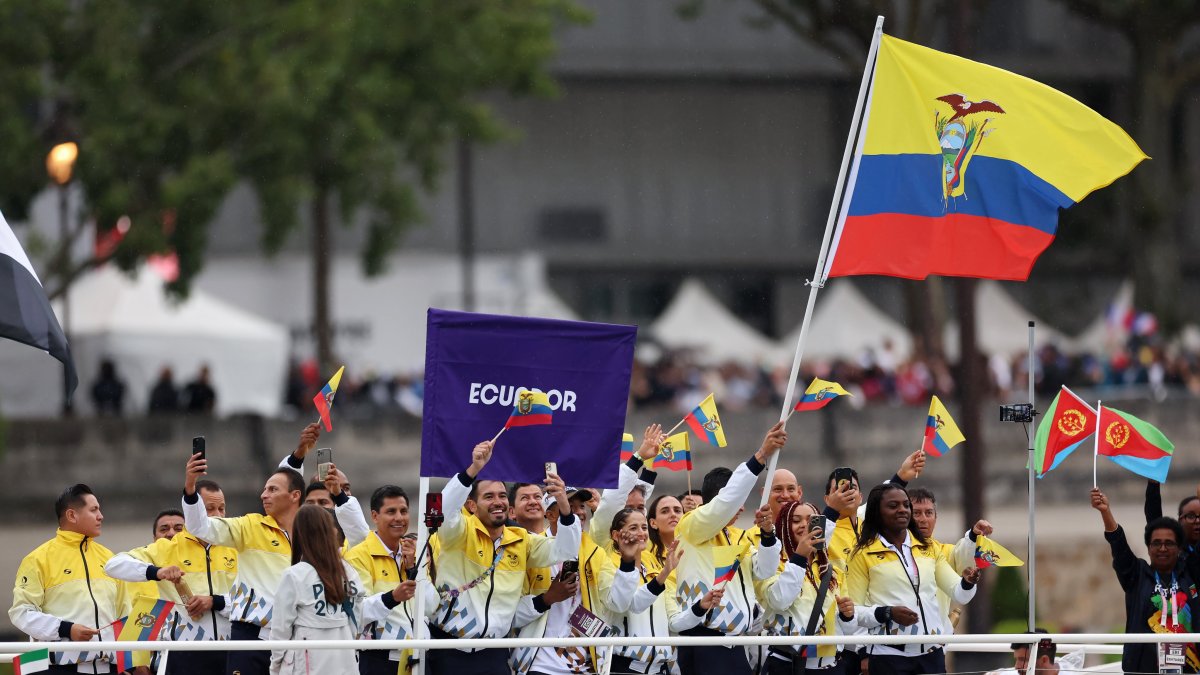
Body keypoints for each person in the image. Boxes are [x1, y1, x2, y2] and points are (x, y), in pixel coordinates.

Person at [181, 423, 364, 675]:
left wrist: (340, 497)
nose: (263, 495)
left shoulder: (315, 533)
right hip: (250, 638)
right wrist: (190, 487)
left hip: (300, 641)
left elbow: (360, 537)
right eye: (264, 489)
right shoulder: (248, 526)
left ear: (295, 496)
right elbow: (199, 527)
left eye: (272, 490)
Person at [426, 439, 580, 675]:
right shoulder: (459, 532)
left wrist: (564, 506)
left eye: (501, 496)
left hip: (495, 654)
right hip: (448, 651)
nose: (497, 501)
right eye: (488, 497)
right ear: (472, 505)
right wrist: (472, 470)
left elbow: (566, 550)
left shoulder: (522, 539)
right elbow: (444, 510)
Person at [670, 422, 787, 675]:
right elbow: (724, 504)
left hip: (735, 646)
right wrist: (760, 456)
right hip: (705, 642)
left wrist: (768, 535)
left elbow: (765, 571)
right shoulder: (691, 525)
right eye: (739, 501)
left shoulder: (737, 536)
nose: (742, 508)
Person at [105, 479, 239, 675]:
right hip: (182, 654)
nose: (218, 515)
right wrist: (157, 572)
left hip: (232, 649)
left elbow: (250, 599)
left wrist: (215, 601)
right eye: (210, 509)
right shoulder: (165, 549)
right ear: (195, 512)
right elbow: (113, 567)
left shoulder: (236, 546)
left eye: (221, 508)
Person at [846, 484, 977, 675]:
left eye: (906, 505)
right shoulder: (862, 554)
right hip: (888, 656)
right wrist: (887, 613)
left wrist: (967, 582)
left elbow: (959, 594)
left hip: (932, 655)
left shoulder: (929, 547)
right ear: (876, 512)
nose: (902, 510)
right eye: (893, 506)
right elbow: (853, 613)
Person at [10, 484, 133, 673]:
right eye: (94, 510)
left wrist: (133, 662)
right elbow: (21, 613)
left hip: (109, 667)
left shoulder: (110, 559)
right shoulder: (38, 559)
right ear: (71, 515)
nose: (101, 516)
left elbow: (125, 616)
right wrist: (67, 629)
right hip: (59, 667)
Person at [510, 486, 630, 675]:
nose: (579, 513)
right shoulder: (529, 549)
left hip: (586, 667)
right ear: (550, 514)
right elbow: (511, 614)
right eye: (568, 506)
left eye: (581, 506)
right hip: (540, 665)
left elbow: (618, 602)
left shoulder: (594, 552)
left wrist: (628, 563)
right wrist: (547, 599)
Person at [1091, 487, 1200, 673]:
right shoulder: (1137, 575)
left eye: (1169, 543)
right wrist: (1105, 511)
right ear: (1148, 548)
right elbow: (1119, 545)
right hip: (1142, 671)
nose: (1163, 548)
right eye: (1156, 543)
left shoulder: (1192, 572)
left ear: (1179, 547)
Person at [344, 485, 437, 675]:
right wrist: (392, 597)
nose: (399, 518)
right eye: (391, 511)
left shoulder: (413, 553)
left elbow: (430, 607)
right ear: (375, 516)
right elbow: (356, 613)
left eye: (403, 511)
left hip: (419, 659)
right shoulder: (358, 556)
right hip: (379, 661)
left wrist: (414, 569)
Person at [758, 500, 856, 675]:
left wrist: (847, 615)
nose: (805, 525)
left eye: (811, 520)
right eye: (796, 521)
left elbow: (847, 630)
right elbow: (779, 601)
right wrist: (799, 557)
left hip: (831, 665)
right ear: (784, 526)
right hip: (788, 665)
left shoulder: (832, 570)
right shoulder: (771, 563)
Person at [269, 505, 367, 675]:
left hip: (308, 659)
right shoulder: (348, 571)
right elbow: (357, 616)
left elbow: (280, 629)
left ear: (300, 534)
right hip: (345, 656)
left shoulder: (295, 575)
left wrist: (275, 665)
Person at [608, 507, 685, 675]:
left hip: (660, 668)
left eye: (644, 527)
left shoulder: (653, 564)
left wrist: (665, 572)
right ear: (615, 535)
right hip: (624, 667)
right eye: (633, 528)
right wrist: (662, 575)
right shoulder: (608, 563)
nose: (641, 533)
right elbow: (630, 604)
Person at [908, 487, 990, 633]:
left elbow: (964, 560)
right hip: (895, 642)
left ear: (935, 517)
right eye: (916, 513)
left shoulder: (944, 552)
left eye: (928, 513)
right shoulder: (888, 551)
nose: (923, 519)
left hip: (934, 643)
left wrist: (973, 536)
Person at [1144, 480, 1200, 560]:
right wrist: (1153, 484)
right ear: (1180, 521)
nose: (1197, 521)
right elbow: (1155, 522)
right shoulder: (1173, 554)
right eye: (1191, 516)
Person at [647, 494, 685, 569]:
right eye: (665, 511)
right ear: (653, 523)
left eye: (677, 511)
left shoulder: (696, 550)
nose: (673, 514)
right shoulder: (644, 553)